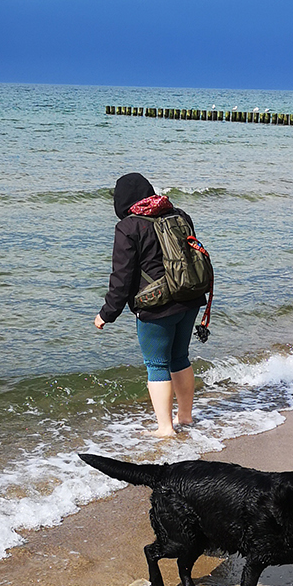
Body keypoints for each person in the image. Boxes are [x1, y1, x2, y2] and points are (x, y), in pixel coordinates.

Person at [94, 173, 202, 437]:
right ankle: (185, 417)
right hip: (189, 298)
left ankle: (165, 429)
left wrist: (106, 314)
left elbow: (122, 278)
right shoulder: (179, 215)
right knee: (180, 357)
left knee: (156, 364)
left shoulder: (129, 227)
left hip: (156, 306)